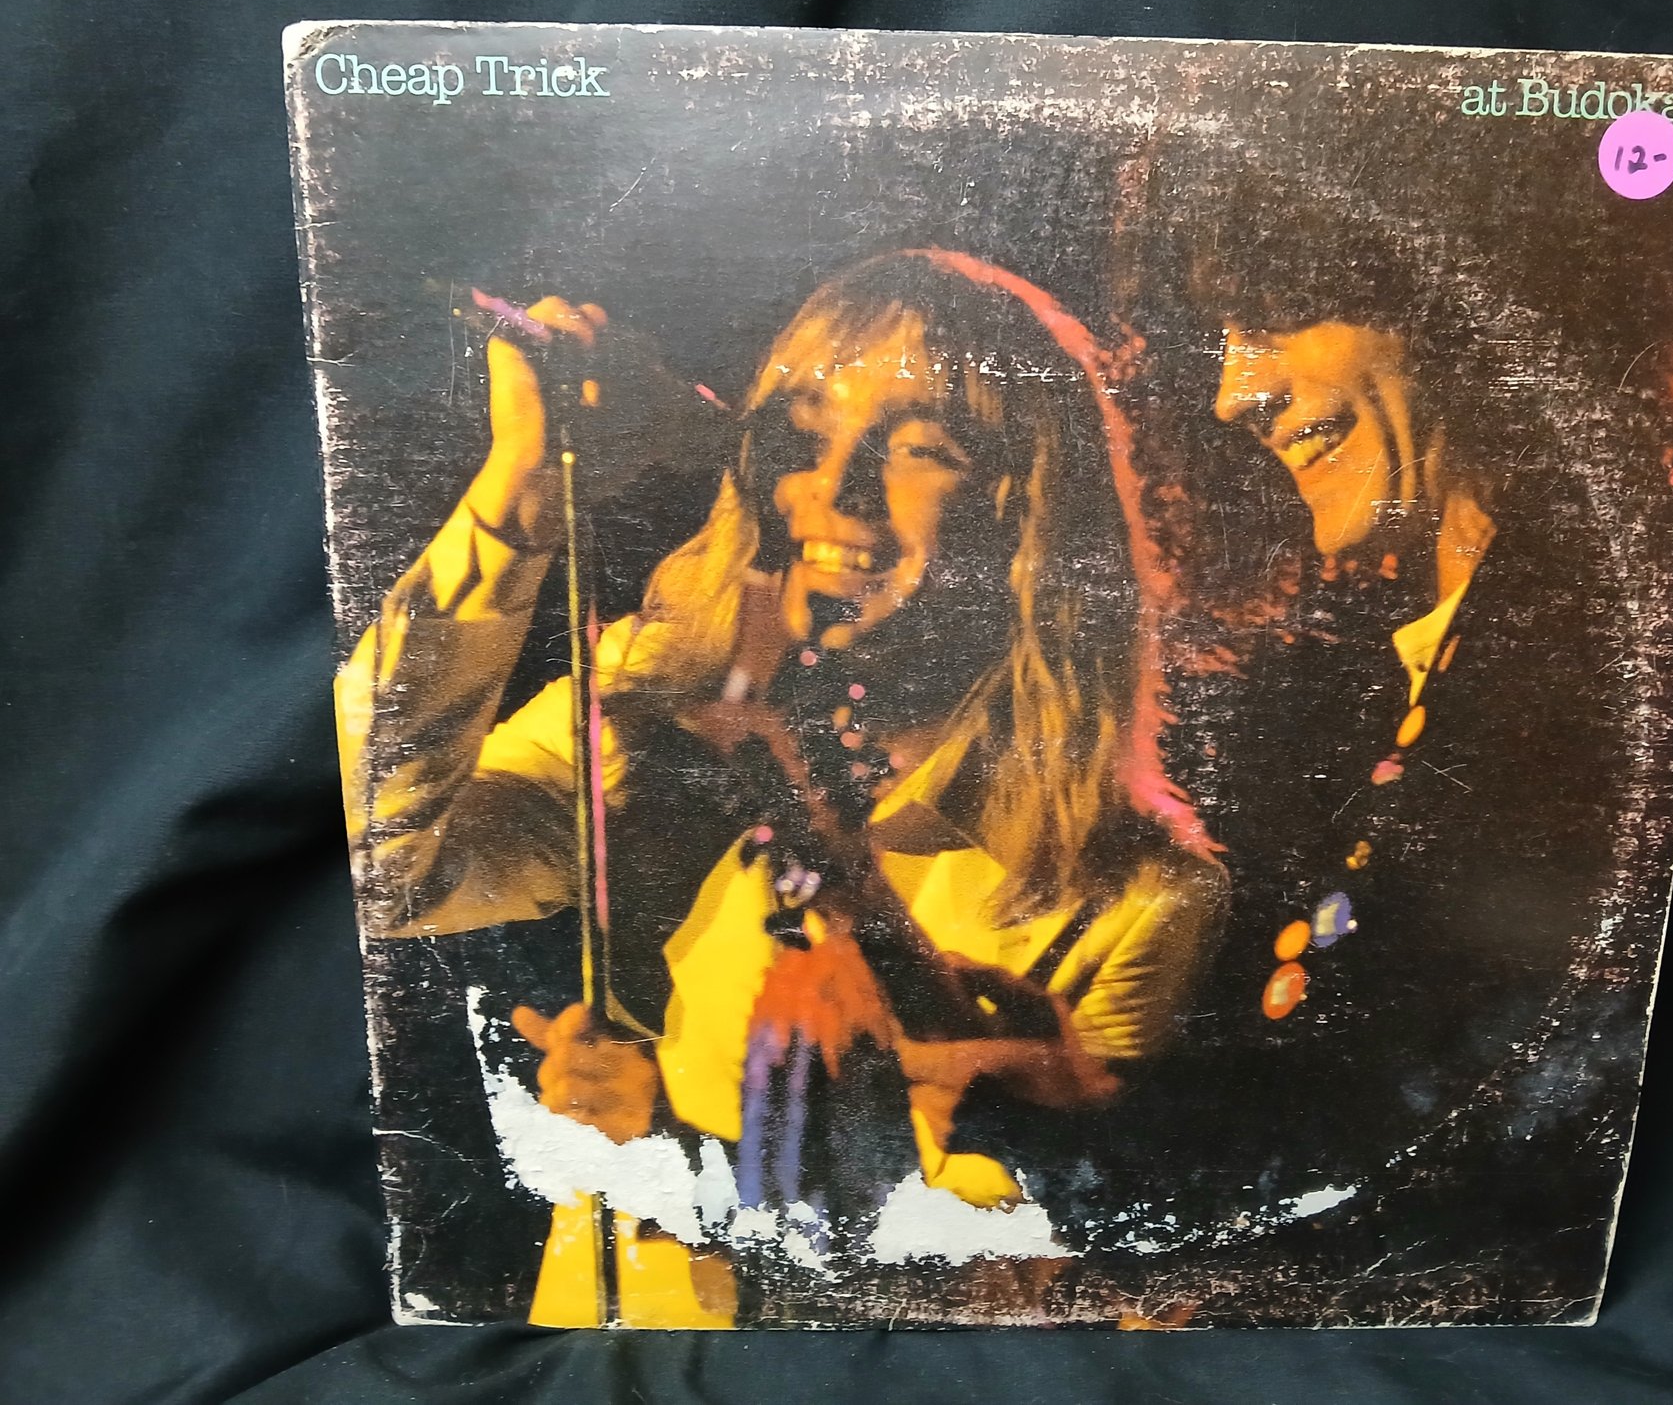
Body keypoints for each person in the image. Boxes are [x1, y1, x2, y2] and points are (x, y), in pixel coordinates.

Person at [335, 249, 1226, 1325]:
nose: (834, 489)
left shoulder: (1132, 901)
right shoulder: (652, 702)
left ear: (1028, 519)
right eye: (804, 432)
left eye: (919, 448)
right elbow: (379, 875)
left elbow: (1010, 1285)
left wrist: (678, 1148)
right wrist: (515, 500)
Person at [1108, 147, 1621, 1210]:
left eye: (1276, 312)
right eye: (1221, 338)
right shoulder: (1387, 670)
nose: (1232, 394)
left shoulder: (1595, 666)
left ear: (1464, 290)